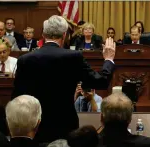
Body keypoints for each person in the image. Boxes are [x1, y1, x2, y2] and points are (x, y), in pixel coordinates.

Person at [11, 15, 116, 143]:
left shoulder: (24, 60)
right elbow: (101, 81)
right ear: (65, 35)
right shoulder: (73, 57)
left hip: (34, 126)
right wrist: (109, 59)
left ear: (43, 34)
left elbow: (16, 96)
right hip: (65, 125)